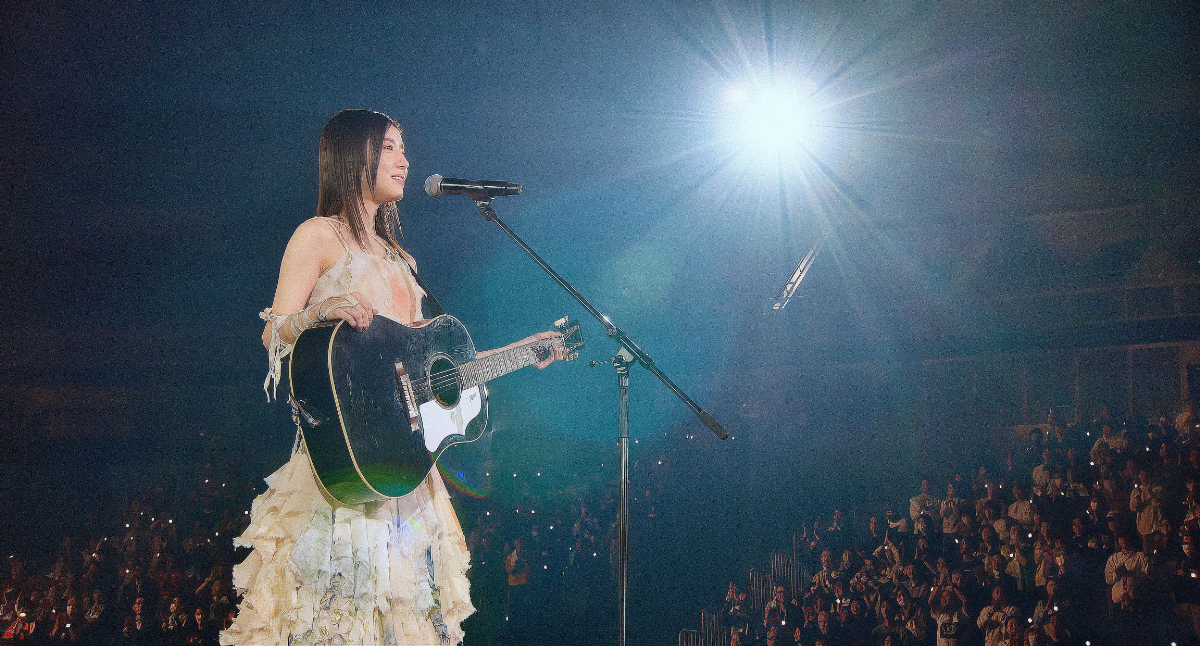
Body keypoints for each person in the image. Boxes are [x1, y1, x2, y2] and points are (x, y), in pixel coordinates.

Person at [222, 110, 564, 646]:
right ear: (352, 156)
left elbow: (430, 364)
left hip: (407, 473)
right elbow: (274, 332)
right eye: (390, 148)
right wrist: (320, 311)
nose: (405, 160)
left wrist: (525, 351)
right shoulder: (318, 235)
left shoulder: (400, 259)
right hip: (344, 464)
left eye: (404, 148)